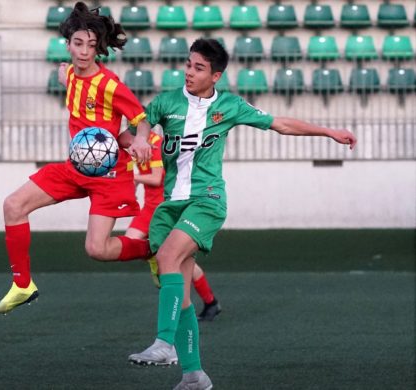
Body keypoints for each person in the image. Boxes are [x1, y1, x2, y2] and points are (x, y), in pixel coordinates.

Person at [127, 38, 357, 389]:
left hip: (206, 200)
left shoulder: (229, 106)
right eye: (188, 64)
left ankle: (165, 343)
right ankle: (194, 375)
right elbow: (143, 120)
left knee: (169, 255)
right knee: (183, 291)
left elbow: (280, 123)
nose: (189, 72)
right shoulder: (167, 102)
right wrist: (142, 137)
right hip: (172, 204)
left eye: (198, 67)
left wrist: (328, 131)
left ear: (215, 76)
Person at [0, 2, 152, 316]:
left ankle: (151, 248)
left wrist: (141, 138)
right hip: (75, 167)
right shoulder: (69, 75)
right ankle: (23, 285)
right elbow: (72, 83)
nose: (84, 51)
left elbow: (140, 119)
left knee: (97, 249)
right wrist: (66, 79)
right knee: (13, 206)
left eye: (91, 45)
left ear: (98, 48)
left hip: (109, 176)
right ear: (68, 44)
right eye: (78, 43)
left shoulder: (110, 85)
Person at [126, 130, 222, 323]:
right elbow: (136, 175)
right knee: (130, 241)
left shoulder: (156, 145)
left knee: (183, 260)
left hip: (165, 208)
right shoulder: (137, 144)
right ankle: (157, 264)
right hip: (149, 208)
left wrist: (135, 179)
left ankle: (210, 302)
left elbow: (155, 178)